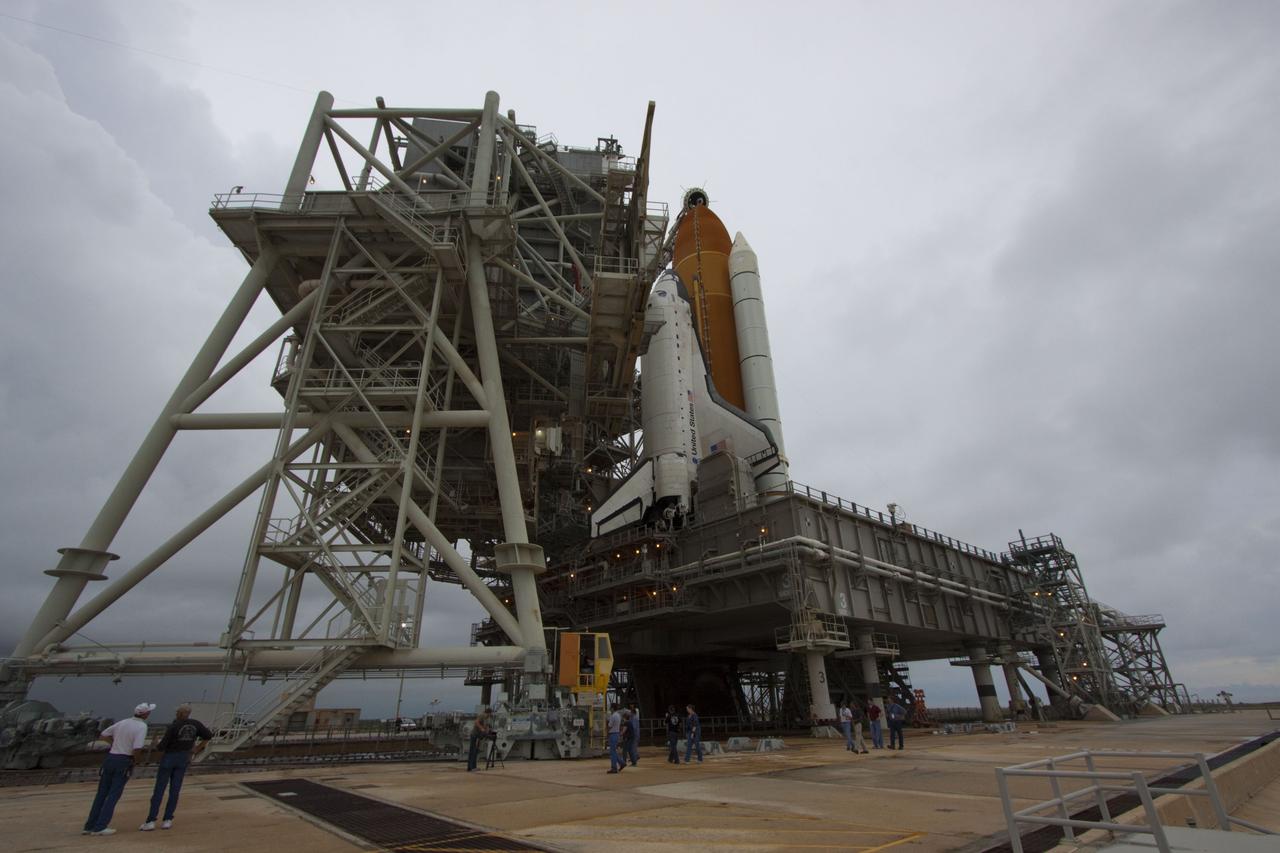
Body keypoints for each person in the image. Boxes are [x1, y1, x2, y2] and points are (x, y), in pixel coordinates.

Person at [83, 702, 154, 836]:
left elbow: (103, 734)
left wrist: (113, 743)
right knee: (114, 794)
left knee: (101, 794)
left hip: (111, 758)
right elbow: (137, 748)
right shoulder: (141, 726)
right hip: (124, 760)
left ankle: (89, 826)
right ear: (145, 714)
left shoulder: (122, 722)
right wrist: (136, 761)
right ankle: (100, 826)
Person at [140, 704, 213, 831]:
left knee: (159, 790)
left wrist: (156, 743)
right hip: (184, 758)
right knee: (175, 790)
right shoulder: (195, 724)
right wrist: (196, 749)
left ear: (178, 714)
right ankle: (168, 819)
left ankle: (151, 820)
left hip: (170, 757)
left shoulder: (174, 726)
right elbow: (208, 735)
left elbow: (161, 747)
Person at [606, 704, 624, 773]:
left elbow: (609, 726)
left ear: (613, 708)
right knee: (613, 751)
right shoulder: (618, 715)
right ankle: (621, 763)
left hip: (612, 734)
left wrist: (607, 733)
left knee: (612, 752)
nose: (610, 709)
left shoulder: (613, 716)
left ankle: (614, 768)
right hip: (616, 733)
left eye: (611, 708)